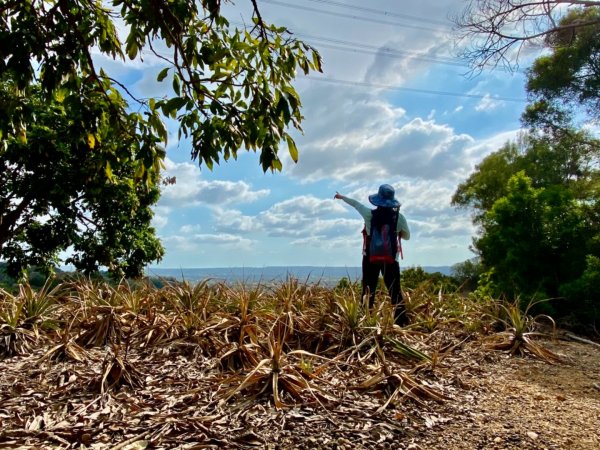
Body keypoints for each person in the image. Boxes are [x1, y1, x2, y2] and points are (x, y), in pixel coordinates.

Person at [334, 184, 410, 325]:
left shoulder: (369, 214)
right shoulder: (400, 218)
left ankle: (365, 321)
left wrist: (342, 197)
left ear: (378, 200)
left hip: (370, 257)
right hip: (391, 259)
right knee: (395, 291)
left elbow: (356, 204)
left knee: (368, 289)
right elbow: (407, 237)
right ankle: (401, 322)